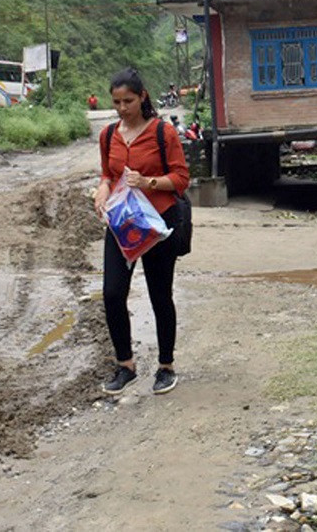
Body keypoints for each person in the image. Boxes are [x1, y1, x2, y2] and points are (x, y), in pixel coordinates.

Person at [92, 68, 190, 395]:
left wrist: (148, 182)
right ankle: (125, 365)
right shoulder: (108, 135)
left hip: (159, 225)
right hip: (123, 226)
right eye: (117, 102)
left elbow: (180, 179)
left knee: (160, 295)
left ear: (142, 96)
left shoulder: (163, 133)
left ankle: (165, 366)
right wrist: (102, 191)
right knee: (112, 293)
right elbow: (108, 174)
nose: (122, 108)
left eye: (128, 101)